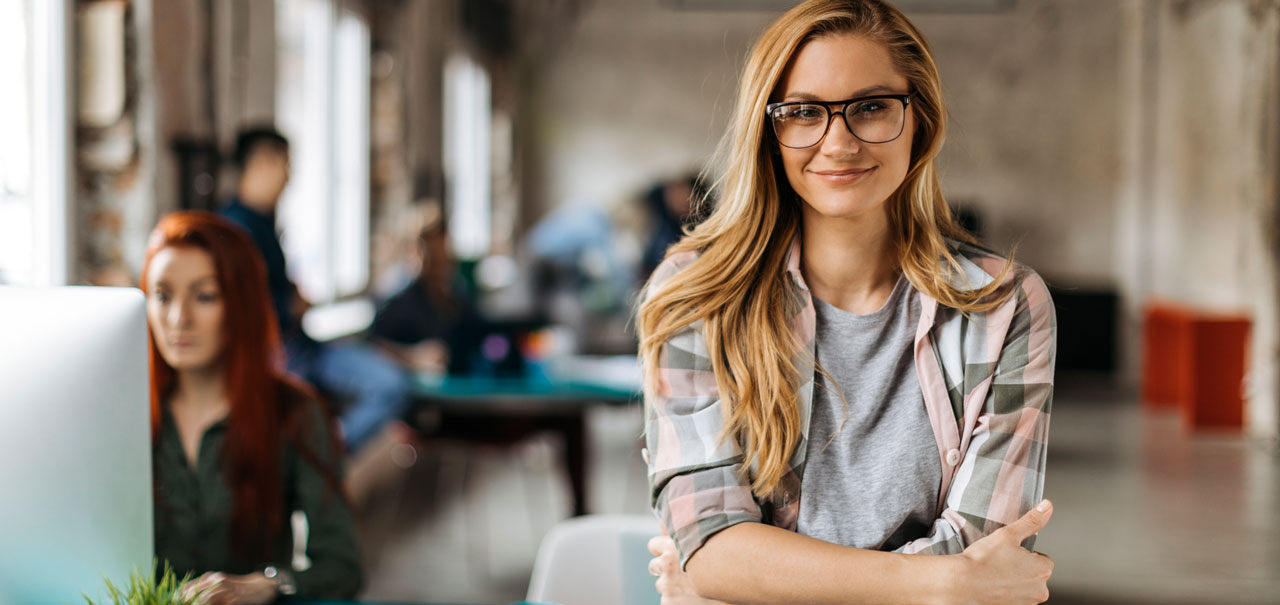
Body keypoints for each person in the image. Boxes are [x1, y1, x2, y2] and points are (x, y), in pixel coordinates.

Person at [635, 1, 1058, 603]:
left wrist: (750, 578)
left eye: (871, 107)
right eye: (804, 112)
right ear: (770, 129)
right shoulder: (696, 297)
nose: (839, 142)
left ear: (921, 120)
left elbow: (983, 549)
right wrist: (936, 584)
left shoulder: (1004, 306)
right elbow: (714, 546)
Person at [141, 211, 362, 603]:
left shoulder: (294, 412)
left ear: (240, 304)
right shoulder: (126, 417)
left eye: (204, 296)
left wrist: (268, 584)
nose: (178, 319)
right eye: (162, 295)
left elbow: (342, 568)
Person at [221, 127, 411, 452]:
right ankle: (317, 462)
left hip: (304, 346)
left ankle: (328, 456)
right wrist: (288, 307)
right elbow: (238, 308)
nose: (289, 176)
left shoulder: (264, 223)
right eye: (286, 164)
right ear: (263, 163)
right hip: (275, 358)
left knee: (390, 385)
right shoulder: (232, 231)